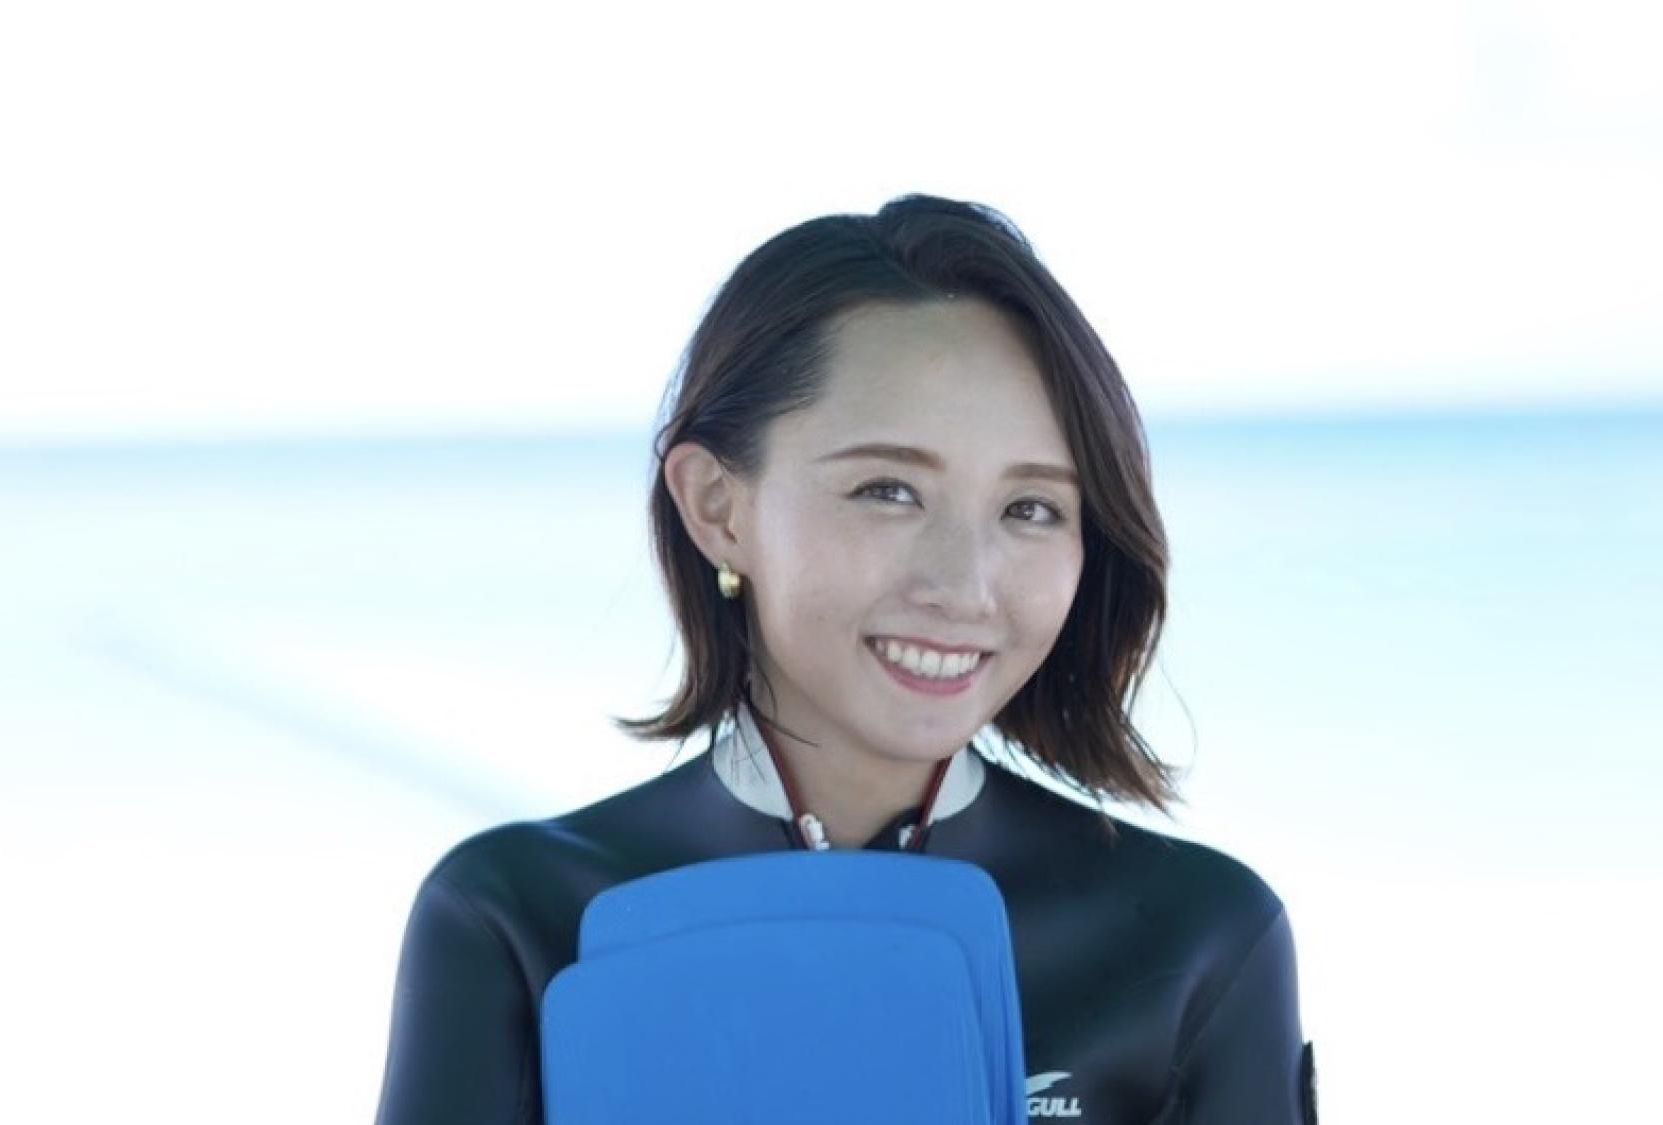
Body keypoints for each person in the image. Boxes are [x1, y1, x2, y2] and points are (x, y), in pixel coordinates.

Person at [372, 194, 1317, 1124]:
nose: (966, 584)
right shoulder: (517, 919)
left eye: (1031, 507)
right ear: (717, 507)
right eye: (888, 489)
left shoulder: (1200, 937)